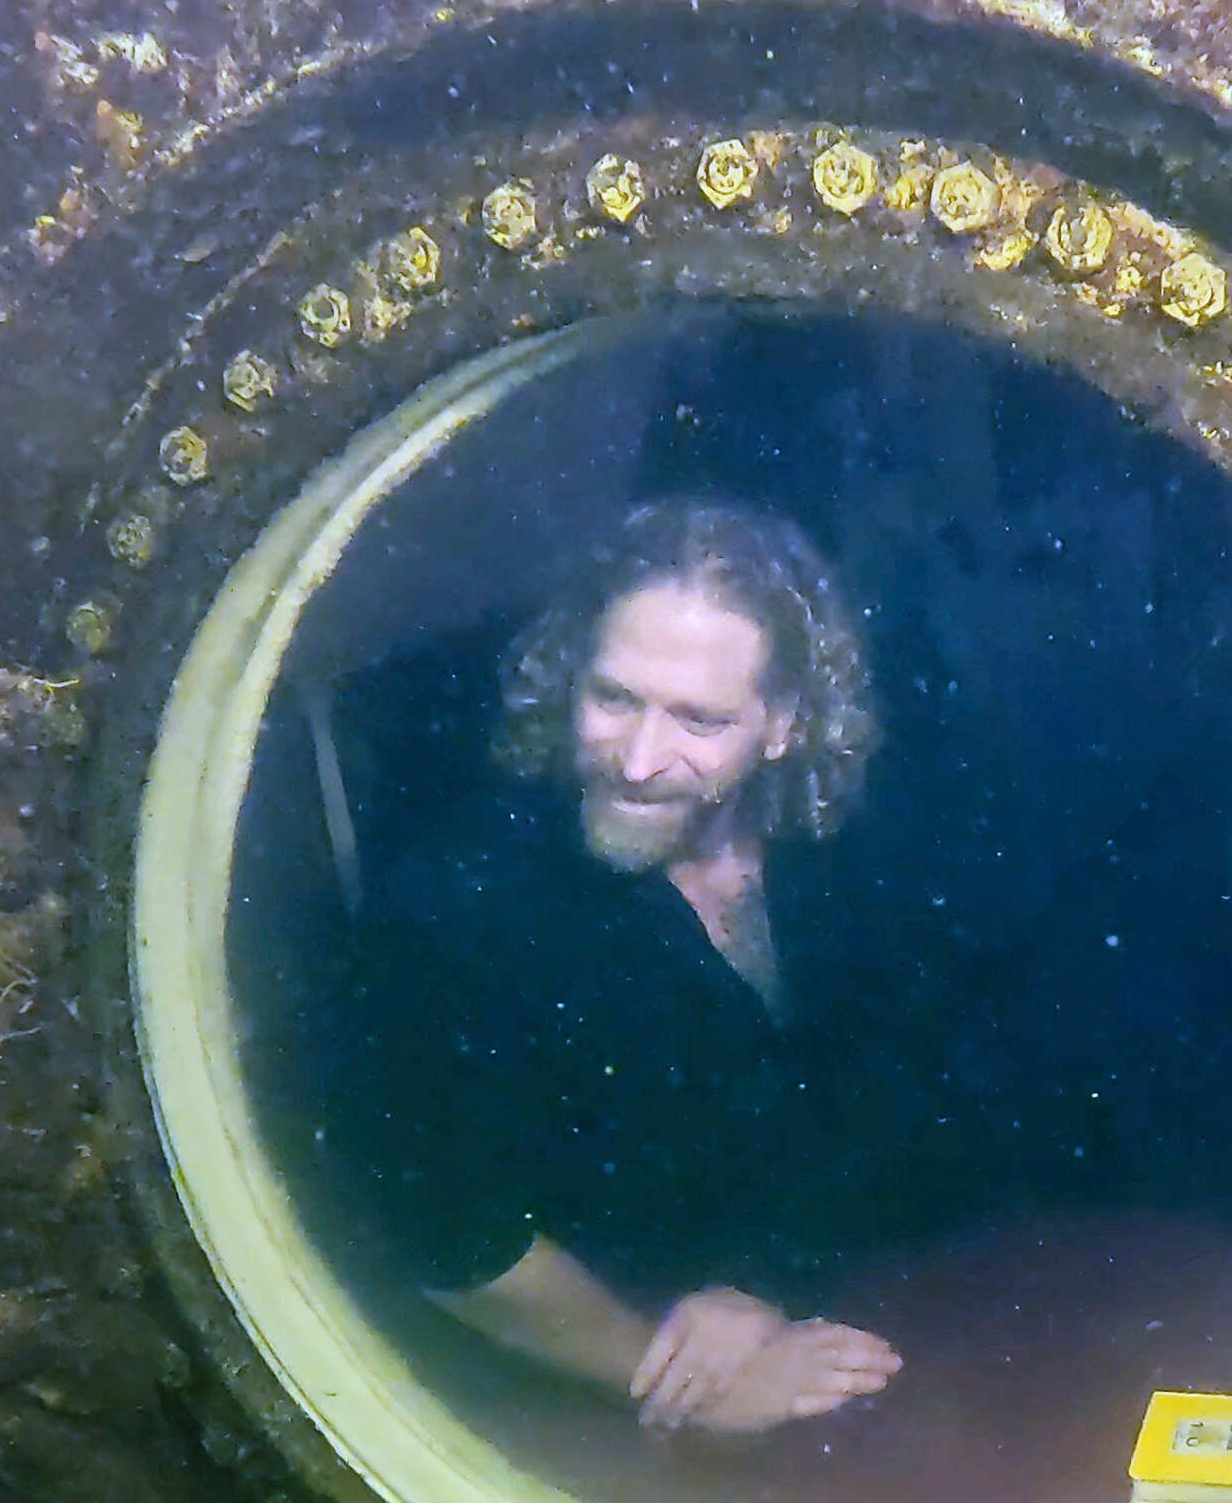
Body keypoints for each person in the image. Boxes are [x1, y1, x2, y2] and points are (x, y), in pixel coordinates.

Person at [336, 498, 923, 1434]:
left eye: (699, 719)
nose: (641, 761)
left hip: (832, 1314)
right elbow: (451, 1243)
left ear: (782, 725)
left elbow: (883, 1094)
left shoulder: (839, 858)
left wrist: (756, 1285)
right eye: (613, 699)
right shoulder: (455, 910)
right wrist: (679, 1379)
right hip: (555, 1409)